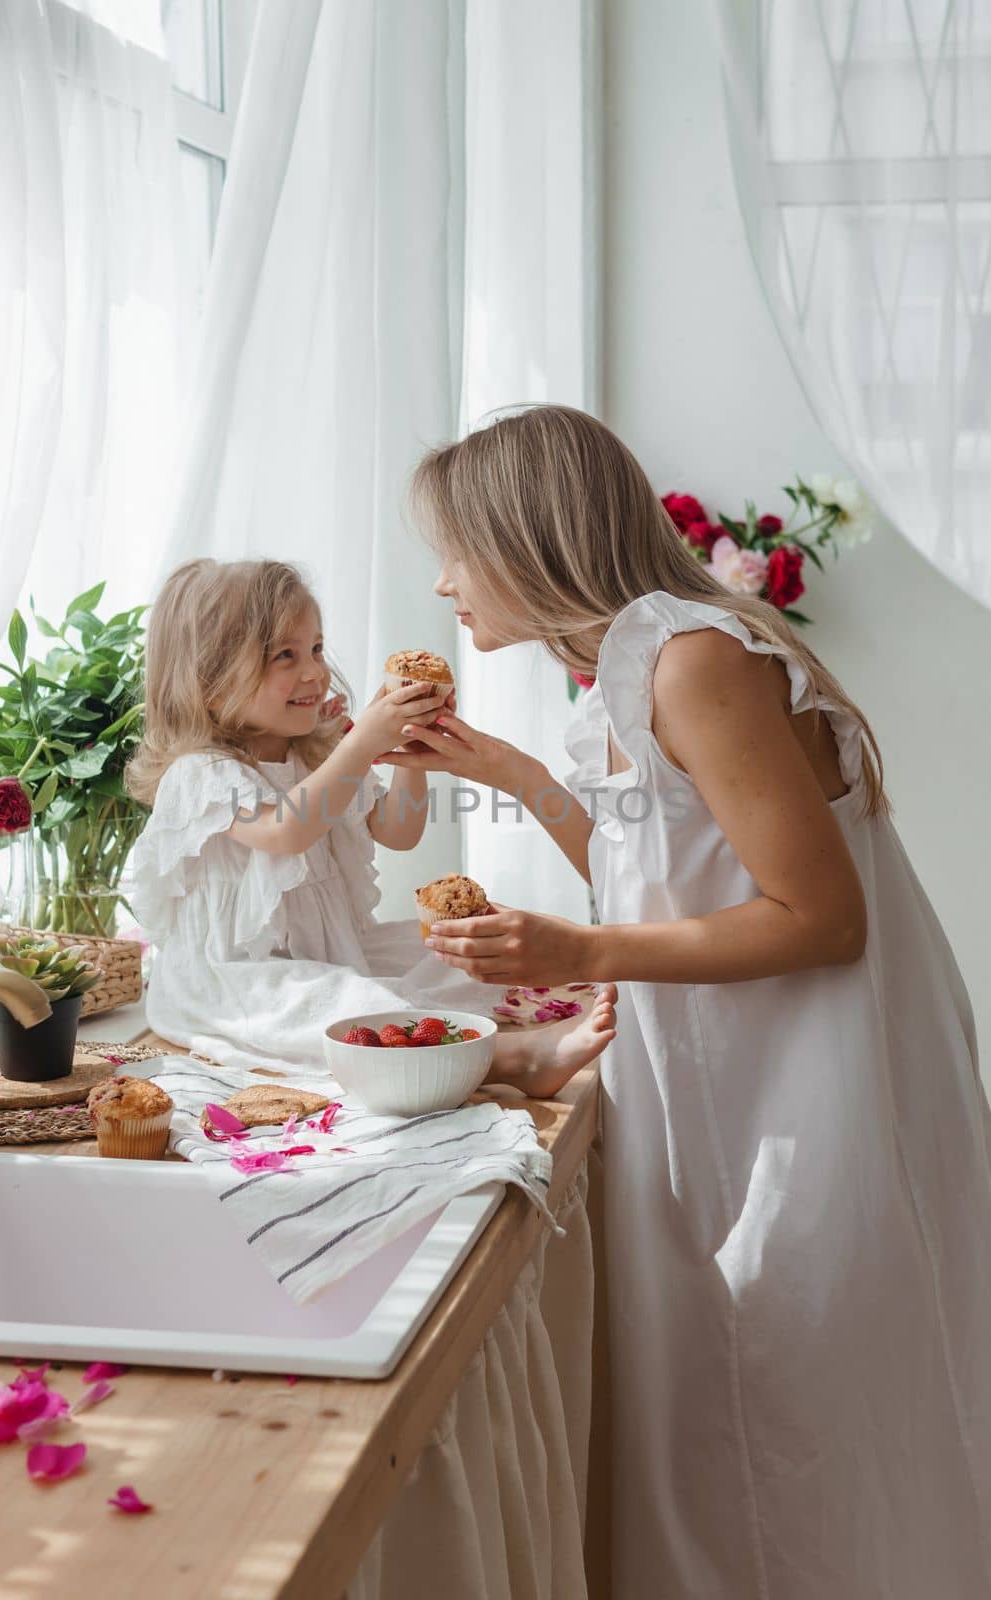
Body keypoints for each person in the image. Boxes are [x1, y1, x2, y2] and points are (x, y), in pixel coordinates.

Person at [381, 404, 991, 1599]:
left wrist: (578, 945)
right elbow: (654, 865)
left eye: (454, 548)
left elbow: (820, 918)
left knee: (802, 1430)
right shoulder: (637, 666)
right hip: (756, 1088)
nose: (445, 583)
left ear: (525, 536)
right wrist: (505, 775)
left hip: (811, 1103)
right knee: (768, 1433)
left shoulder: (689, 658)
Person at [124, 556, 616, 1091]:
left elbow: (399, 831)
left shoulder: (320, 754)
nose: (314, 671)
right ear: (212, 680)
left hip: (335, 952)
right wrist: (362, 744)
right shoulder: (203, 774)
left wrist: (407, 751)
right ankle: (512, 1059)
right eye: (284, 656)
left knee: (441, 957)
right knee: (353, 1007)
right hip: (235, 980)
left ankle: (552, 1007)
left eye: (315, 647)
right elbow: (286, 832)